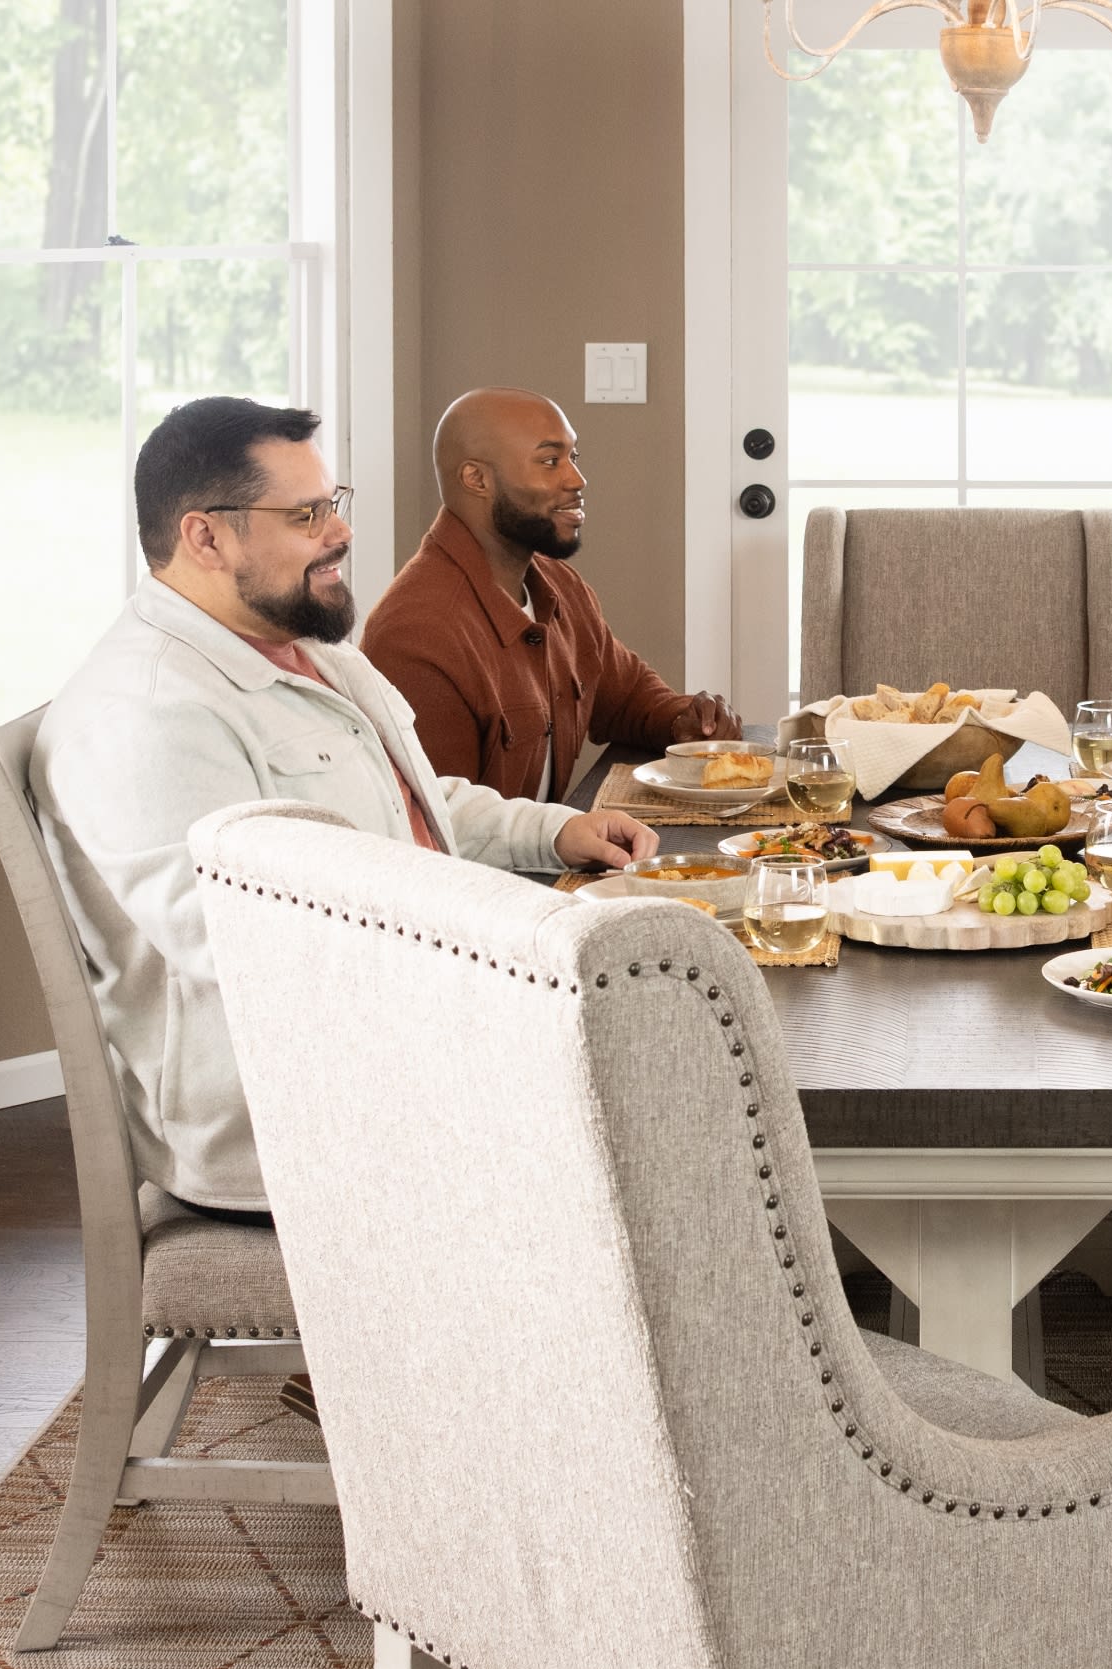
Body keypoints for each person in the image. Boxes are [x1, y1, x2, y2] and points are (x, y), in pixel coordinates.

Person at [38, 396, 660, 1218]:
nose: (340, 531)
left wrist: (555, 830)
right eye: (305, 514)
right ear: (206, 536)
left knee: (669, 1027)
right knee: (658, 1082)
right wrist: (507, 964)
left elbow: (404, 805)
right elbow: (251, 948)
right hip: (298, 1124)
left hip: (400, 1046)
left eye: (334, 503)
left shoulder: (305, 648)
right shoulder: (149, 713)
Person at [363, 387, 737, 802]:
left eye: (572, 458)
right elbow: (439, 830)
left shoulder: (559, 585)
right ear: (477, 479)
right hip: (493, 867)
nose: (576, 480)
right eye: (549, 461)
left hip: (548, 854)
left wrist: (685, 721)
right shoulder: (418, 634)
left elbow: (626, 698)